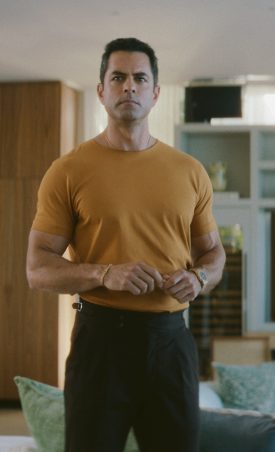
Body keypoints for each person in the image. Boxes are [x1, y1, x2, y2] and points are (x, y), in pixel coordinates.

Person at [26, 37, 225, 452]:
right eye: (118, 77)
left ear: (155, 93)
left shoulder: (189, 171)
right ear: (101, 91)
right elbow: (38, 269)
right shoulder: (68, 171)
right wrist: (104, 274)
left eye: (140, 78)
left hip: (171, 341)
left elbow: (213, 254)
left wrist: (199, 278)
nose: (129, 86)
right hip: (100, 342)